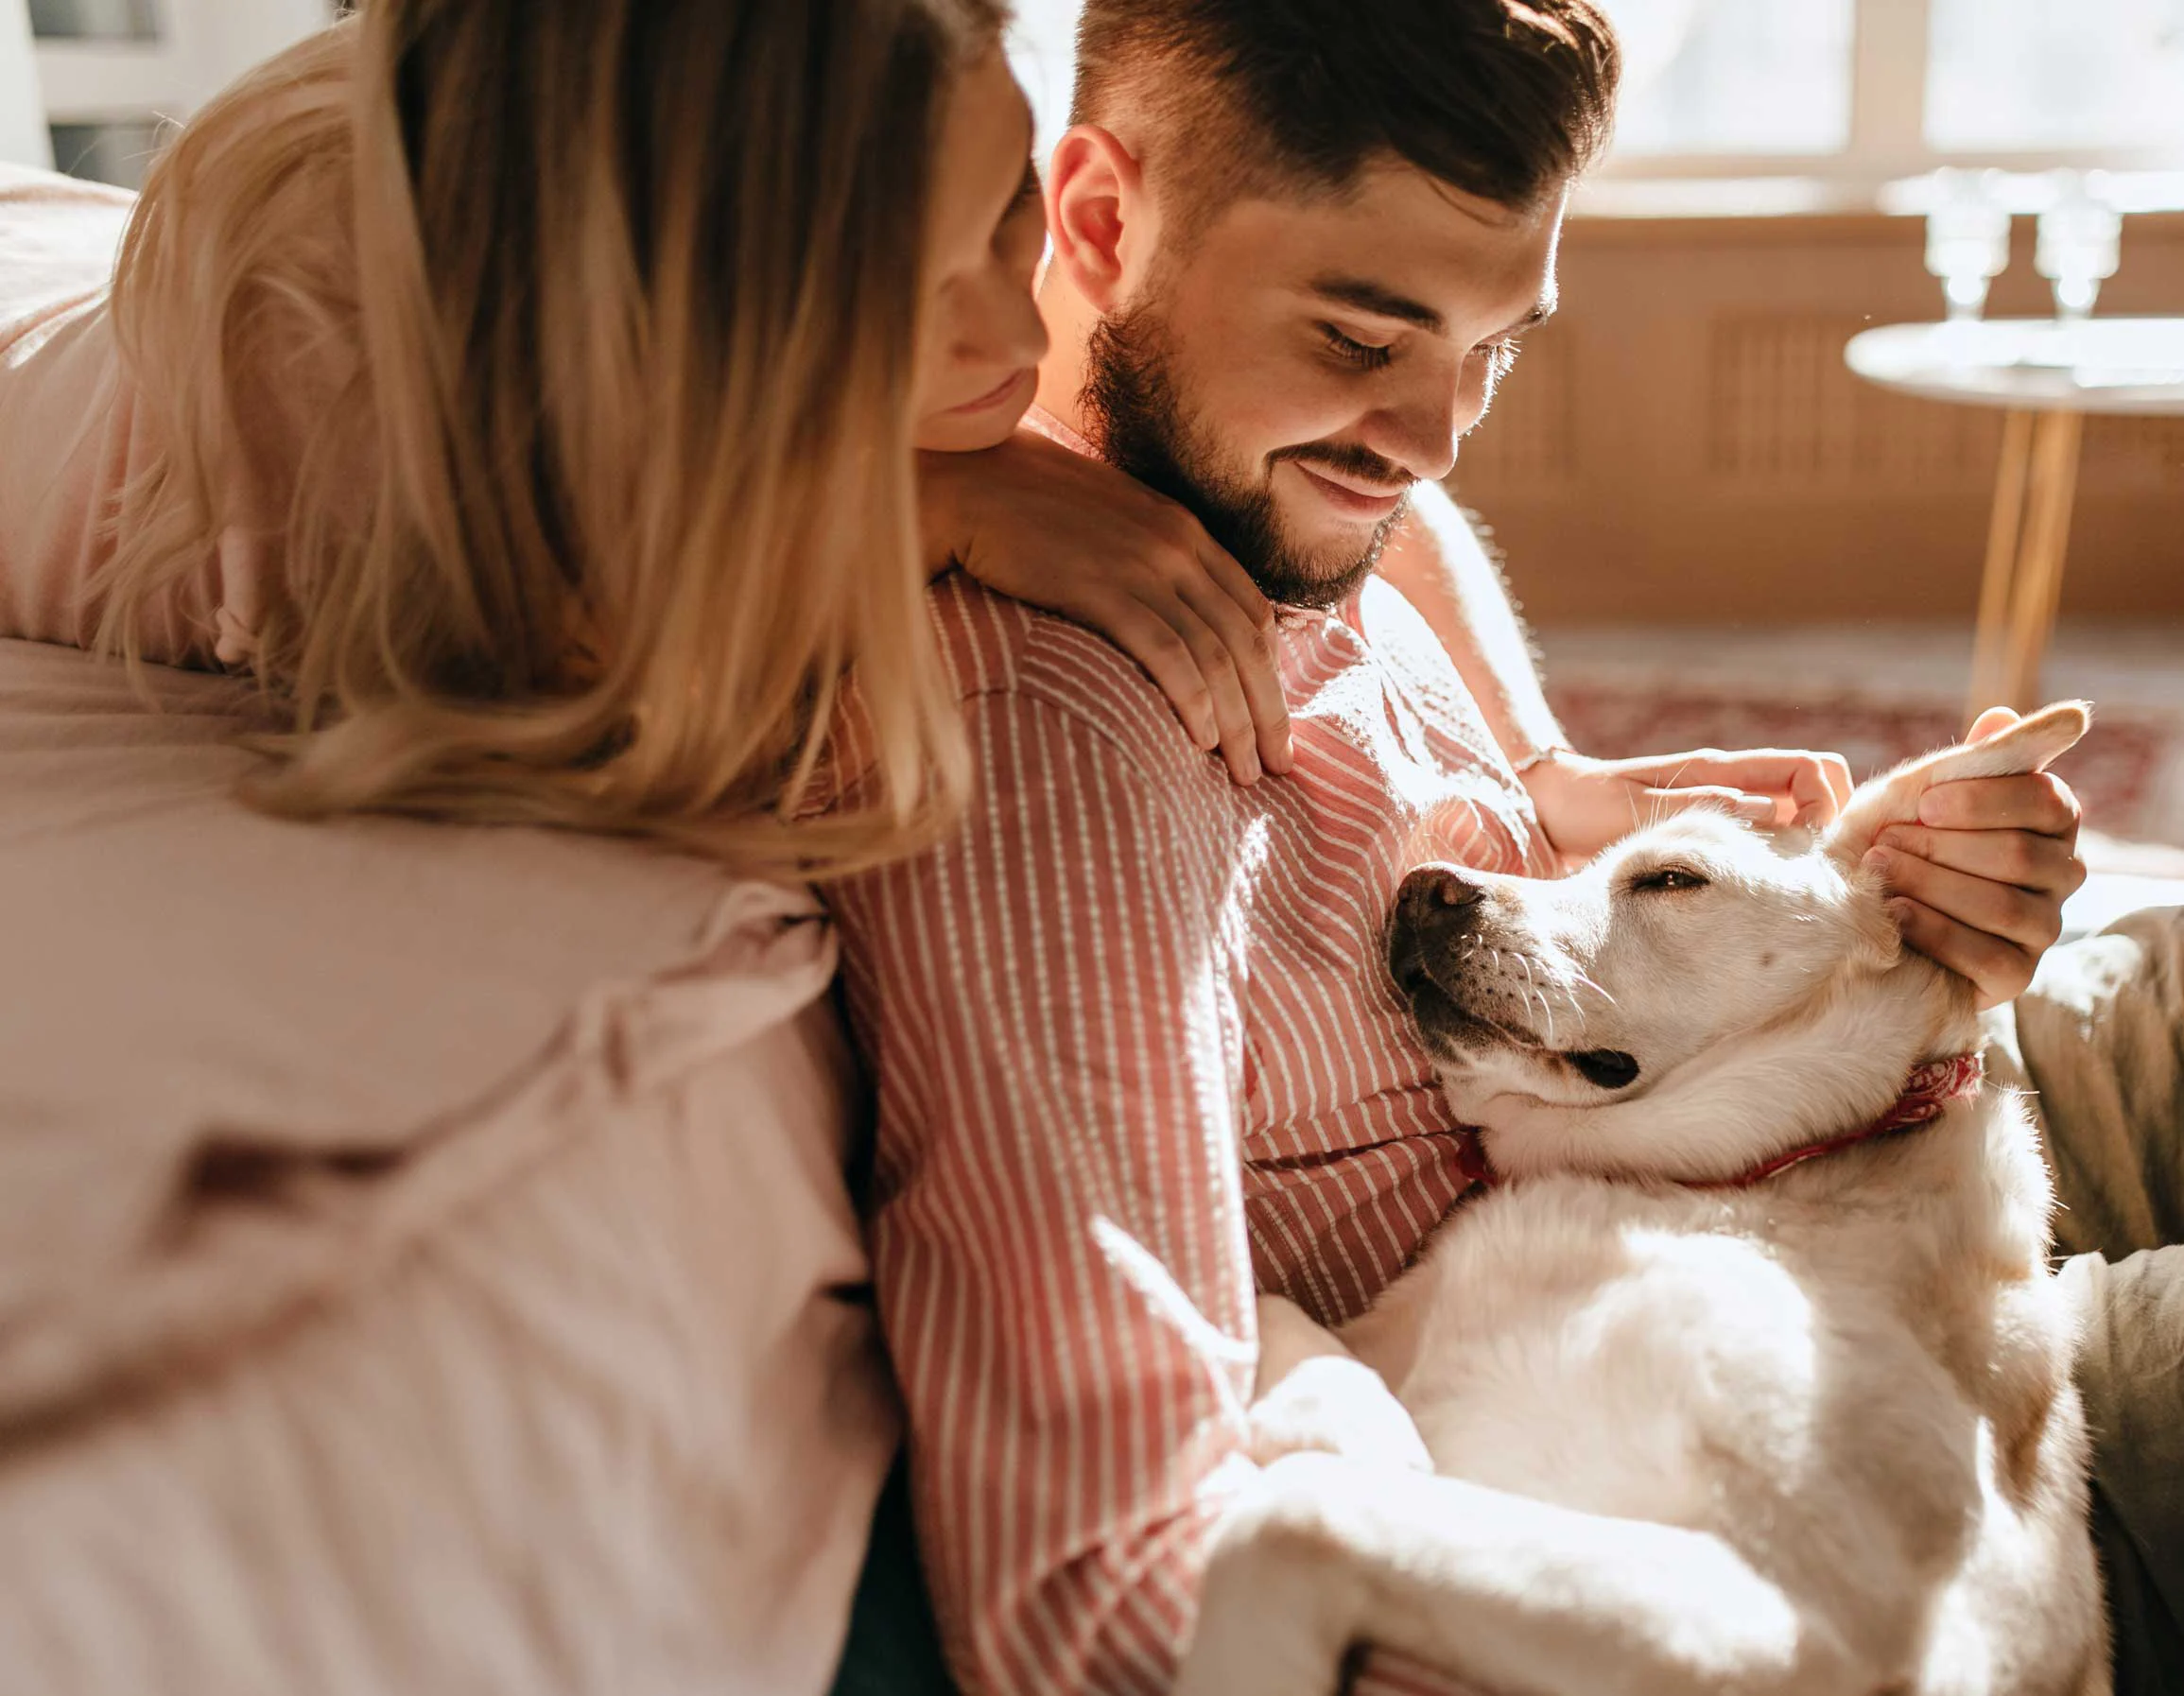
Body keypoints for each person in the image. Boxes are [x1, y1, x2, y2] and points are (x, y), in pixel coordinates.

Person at [823, 3, 2182, 1693]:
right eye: (1361, 338)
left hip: (1832, 1180)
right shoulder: (1060, 753)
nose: (1440, 434)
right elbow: (1101, 1582)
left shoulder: (1256, 481)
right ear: (1099, 225)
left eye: (1495, 347)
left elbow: (1397, 501)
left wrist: (1545, 770)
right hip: (1830, 1436)